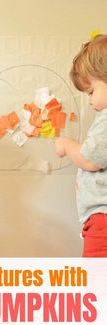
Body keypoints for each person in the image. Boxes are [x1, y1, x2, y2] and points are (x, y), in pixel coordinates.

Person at [55, 34, 107, 257]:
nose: (90, 101)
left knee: (96, 284)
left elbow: (89, 159)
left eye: (91, 92)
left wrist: (67, 145)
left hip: (103, 220)